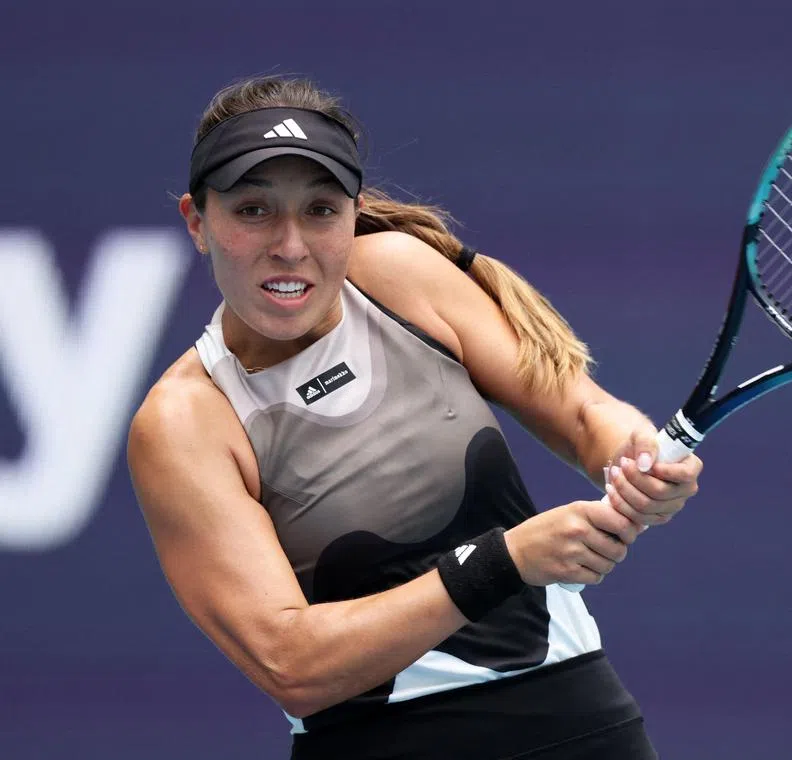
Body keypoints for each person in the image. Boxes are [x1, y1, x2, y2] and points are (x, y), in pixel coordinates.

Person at [126, 75, 702, 760]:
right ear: (198, 221)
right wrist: (508, 561)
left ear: (354, 213)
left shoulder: (400, 275)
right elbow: (292, 665)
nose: (289, 245)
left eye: (319, 210)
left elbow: (583, 412)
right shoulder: (184, 421)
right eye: (253, 211)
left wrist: (631, 454)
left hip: (581, 726)